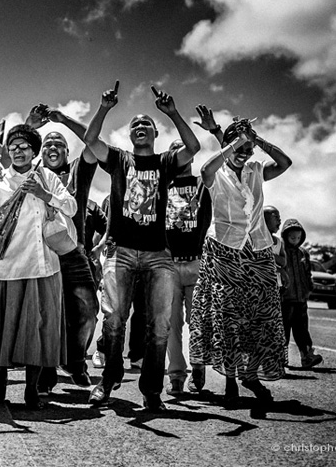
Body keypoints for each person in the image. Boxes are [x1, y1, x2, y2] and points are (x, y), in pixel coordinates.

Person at [84, 82, 200, 412]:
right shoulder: (120, 160)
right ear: (130, 134)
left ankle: (151, 390)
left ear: (154, 133)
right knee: (115, 319)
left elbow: (192, 147)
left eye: (145, 124)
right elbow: (91, 141)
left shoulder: (166, 162)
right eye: (134, 124)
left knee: (159, 325)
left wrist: (173, 112)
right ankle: (108, 380)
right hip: (120, 251)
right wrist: (104, 107)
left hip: (158, 255)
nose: (139, 127)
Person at [0, 124, 76, 409]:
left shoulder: (47, 177)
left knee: (38, 328)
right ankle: (0, 379)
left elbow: (71, 207)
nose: (18, 151)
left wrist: (45, 194)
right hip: (5, 267)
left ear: (34, 151)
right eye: (13, 147)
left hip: (42, 266)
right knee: (2, 326)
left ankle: (32, 388)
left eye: (24, 147)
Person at [190, 118, 292, 405]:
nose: (244, 152)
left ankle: (251, 375)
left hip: (258, 249)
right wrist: (233, 142)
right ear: (228, 145)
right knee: (228, 318)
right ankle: (230, 379)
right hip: (223, 249)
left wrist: (256, 141)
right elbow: (205, 169)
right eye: (239, 147)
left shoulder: (256, 170)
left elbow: (285, 163)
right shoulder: (216, 174)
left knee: (260, 317)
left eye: (248, 148)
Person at [25, 108, 101, 392]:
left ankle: (75, 360)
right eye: (47, 144)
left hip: (73, 253)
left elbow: (93, 142)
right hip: (37, 252)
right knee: (46, 312)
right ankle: (46, 371)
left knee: (87, 308)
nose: (53, 147)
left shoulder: (78, 173)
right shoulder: (31, 173)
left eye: (59, 144)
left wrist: (64, 121)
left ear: (67, 152)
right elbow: (9, 156)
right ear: (39, 151)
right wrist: (29, 126)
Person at [164, 139, 212, 396]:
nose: (180, 156)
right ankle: (176, 375)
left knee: (198, 323)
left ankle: (198, 366)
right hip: (169, 266)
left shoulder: (202, 185)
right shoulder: (163, 187)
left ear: (191, 156)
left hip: (197, 263)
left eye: (183, 151)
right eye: (174, 152)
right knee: (171, 325)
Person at [280, 218, 324, 369]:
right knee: (283, 330)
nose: (295, 240)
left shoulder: (303, 253)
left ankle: (307, 356)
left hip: (301, 299)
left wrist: (309, 287)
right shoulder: (281, 251)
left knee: (302, 330)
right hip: (284, 299)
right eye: (292, 237)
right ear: (285, 236)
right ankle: (281, 358)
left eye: (298, 237)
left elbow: (307, 272)